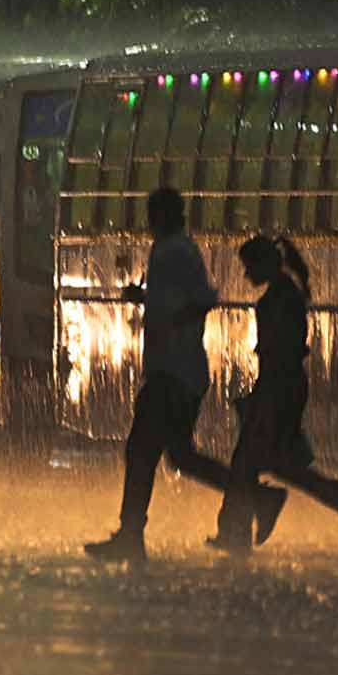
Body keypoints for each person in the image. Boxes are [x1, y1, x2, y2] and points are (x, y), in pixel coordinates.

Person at [84, 188, 286, 564]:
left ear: (160, 216)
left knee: (141, 451)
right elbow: (189, 298)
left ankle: (131, 535)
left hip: (172, 373)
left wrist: (175, 318)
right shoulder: (179, 250)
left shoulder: (171, 252)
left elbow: (202, 299)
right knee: (180, 456)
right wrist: (147, 301)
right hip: (181, 371)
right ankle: (257, 497)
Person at [207, 234, 338, 553]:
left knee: (248, 461)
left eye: (248, 267)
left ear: (265, 264)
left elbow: (279, 354)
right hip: (282, 386)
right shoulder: (285, 295)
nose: (245, 274)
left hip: (279, 388)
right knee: (280, 463)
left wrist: (263, 400)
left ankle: (241, 527)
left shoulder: (280, 299)